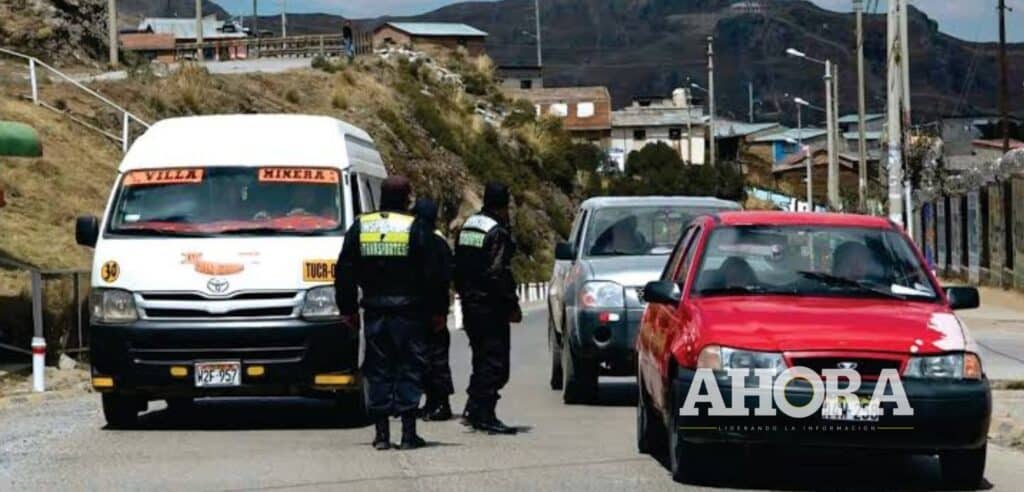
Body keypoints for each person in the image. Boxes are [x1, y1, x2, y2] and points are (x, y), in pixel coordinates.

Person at [335, 176, 448, 450]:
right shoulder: (417, 228)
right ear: (408, 197)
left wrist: (348, 308)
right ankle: (408, 433)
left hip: (374, 312)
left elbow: (344, 270)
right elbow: (434, 275)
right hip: (410, 313)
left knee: (378, 370)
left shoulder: (362, 226)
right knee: (410, 368)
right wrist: (438, 312)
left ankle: (381, 434)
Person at [454, 182, 521, 435]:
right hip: (490, 307)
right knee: (495, 365)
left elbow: (457, 265)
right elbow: (498, 273)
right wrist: (511, 305)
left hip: (470, 304)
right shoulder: (496, 232)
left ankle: (474, 408)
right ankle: (485, 414)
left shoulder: (469, 225)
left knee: (481, 359)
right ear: (504, 206)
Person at [413, 198, 455, 421]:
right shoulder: (427, 240)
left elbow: (442, 279)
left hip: (432, 310)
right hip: (423, 309)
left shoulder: (435, 242)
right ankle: (431, 402)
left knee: (436, 360)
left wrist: (440, 312)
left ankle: (441, 404)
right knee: (425, 360)